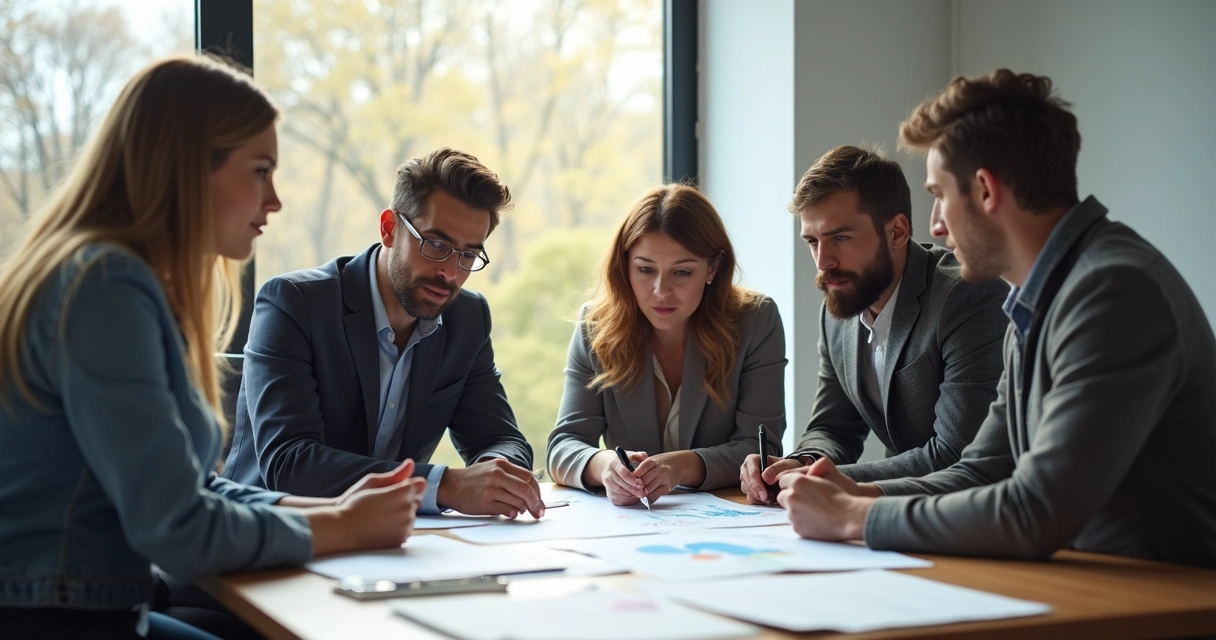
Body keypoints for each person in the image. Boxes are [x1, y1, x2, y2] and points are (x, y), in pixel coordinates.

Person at [0, 55, 425, 639]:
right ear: (187, 169)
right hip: (53, 618)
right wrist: (345, 530)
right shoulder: (107, 287)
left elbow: (190, 486)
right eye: (259, 171)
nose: (273, 200)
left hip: (80, 601)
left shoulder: (115, 278)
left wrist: (338, 510)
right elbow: (176, 526)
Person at [777, 69, 1216, 569]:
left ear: (985, 190)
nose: (936, 226)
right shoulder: (1039, 295)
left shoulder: (1112, 292)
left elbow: (1035, 510)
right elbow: (980, 469)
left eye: (939, 194)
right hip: (1099, 583)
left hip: (1170, 597)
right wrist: (856, 491)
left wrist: (855, 517)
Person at [221, 148, 544, 520]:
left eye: (468, 255)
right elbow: (291, 465)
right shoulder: (294, 304)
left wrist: (495, 473)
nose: (451, 274)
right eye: (437, 245)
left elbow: (500, 438)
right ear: (390, 228)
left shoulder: (467, 319)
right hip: (273, 538)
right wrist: (445, 486)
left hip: (389, 542)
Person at [739, 145, 1009, 505]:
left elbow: (956, 455)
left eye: (840, 238)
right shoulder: (837, 312)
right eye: (812, 242)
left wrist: (816, 478)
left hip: (978, 513)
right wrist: (795, 462)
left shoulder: (968, 297)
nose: (823, 262)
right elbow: (833, 429)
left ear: (897, 232)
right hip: (902, 513)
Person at [548, 184, 786, 506]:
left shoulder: (756, 321)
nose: (661, 291)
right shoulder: (596, 327)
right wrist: (605, 467)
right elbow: (564, 445)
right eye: (645, 269)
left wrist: (679, 467)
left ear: (712, 269)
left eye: (682, 272)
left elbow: (762, 449)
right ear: (625, 265)